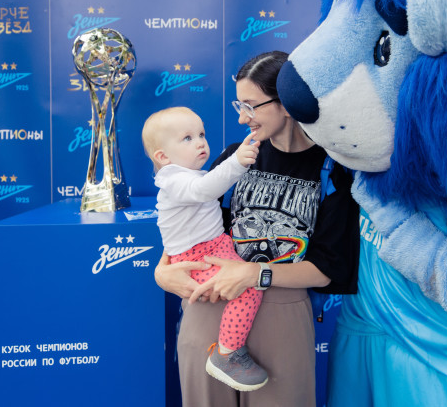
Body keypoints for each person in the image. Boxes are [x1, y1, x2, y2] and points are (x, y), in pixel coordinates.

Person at [154, 51, 360, 407]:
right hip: (209, 306)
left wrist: (254, 274)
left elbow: (330, 269)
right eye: (239, 104)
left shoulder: (331, 169)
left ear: (286, 102)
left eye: (250, 105)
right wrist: (163, 271)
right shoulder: (237, 157)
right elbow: (189, 219)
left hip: (282, 317)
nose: (240, 117)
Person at [141, 106, 268, 391]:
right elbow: (206, 190)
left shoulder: (190, 174)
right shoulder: (174, 179)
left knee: (245, 279)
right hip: (199, 256)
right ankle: (227, 353)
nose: (200, 142)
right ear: (163, 157)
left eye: (202, 134)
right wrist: (237, 162)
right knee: (249, 289)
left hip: (215, 245)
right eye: (187, 138)